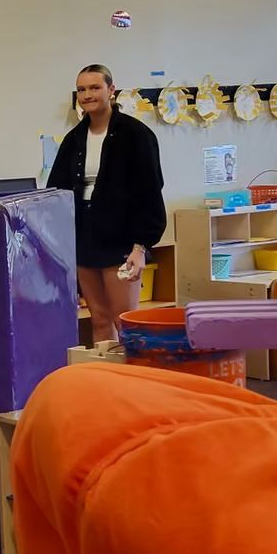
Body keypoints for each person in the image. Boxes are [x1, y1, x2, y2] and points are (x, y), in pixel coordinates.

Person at [50, 64, 166, 345]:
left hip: (121, 242)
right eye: (81, 89)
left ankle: (134, 382)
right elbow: (57, 191)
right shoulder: (74, 139)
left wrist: (140, 247)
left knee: (124, 319)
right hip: (86, 239)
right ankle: (108, 379)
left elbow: (150, 192)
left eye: (94, 87)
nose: (87, 95)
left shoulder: (136, 135)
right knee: (99, 319)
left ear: (111, 90)